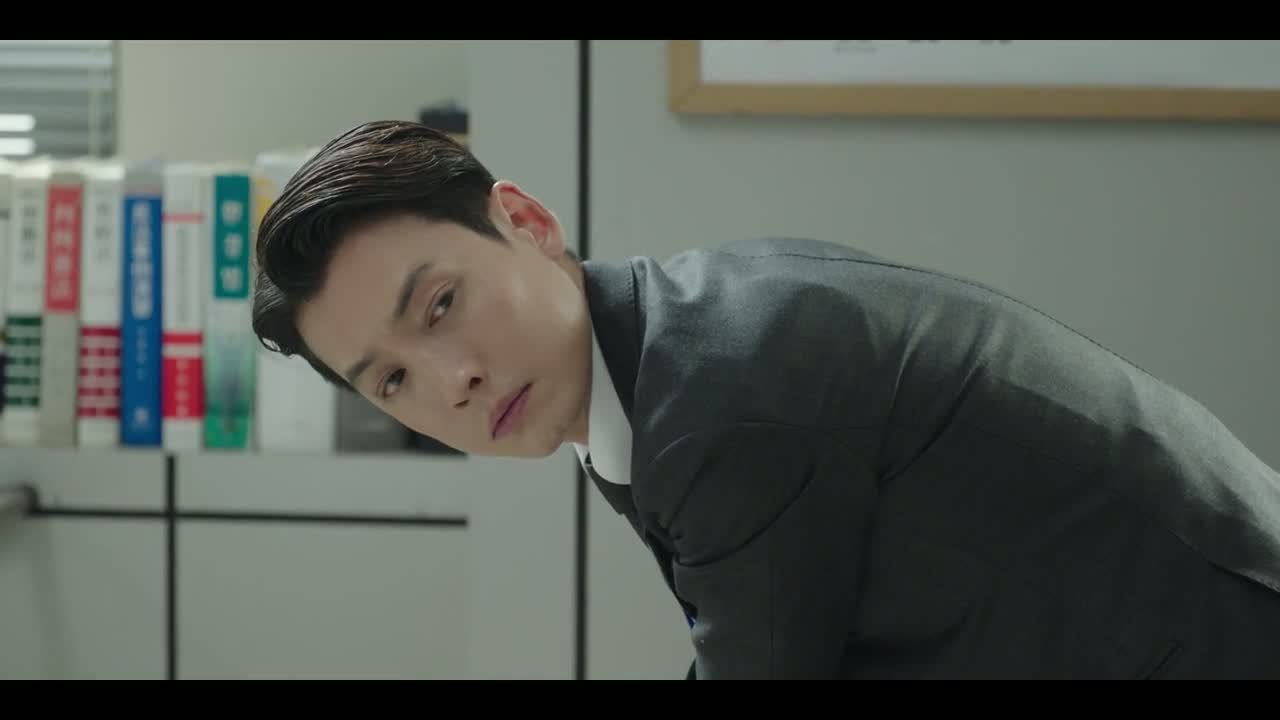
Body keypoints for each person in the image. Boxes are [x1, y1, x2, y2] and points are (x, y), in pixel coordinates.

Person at [250, 119, 1280, 680]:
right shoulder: (666, 344)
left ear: (526, 222)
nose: (451, 382)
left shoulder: (715, 398)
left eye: (439, 305)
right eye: (392, 380)